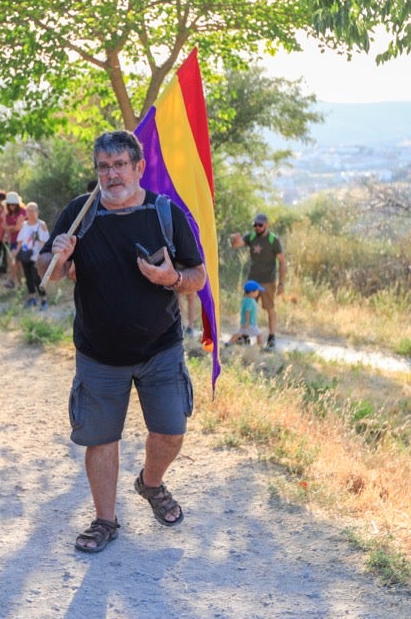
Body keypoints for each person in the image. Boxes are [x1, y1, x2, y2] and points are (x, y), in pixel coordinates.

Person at [39, 130, 206, 554]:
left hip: (160, 349)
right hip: (98, 354)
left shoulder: (165, 213)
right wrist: (60, 256)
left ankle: (151, 483)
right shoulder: (80, 213)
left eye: (119, 165)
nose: (111, 175)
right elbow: (48, 273)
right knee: (101, 439)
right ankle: (105, 520)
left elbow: (197, 276)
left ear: (138, 167)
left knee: (171, 431)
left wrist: (171, 277)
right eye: (103, 167)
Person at [230, 212, 286, 350]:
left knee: (269, 308)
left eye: (260, 225)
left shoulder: (273, 240)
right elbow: (236, 245)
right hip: (252, 280)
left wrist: (281, 283)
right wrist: (233, 239)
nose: (257, 227)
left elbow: (282, 262)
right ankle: (245, 336)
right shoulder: (251, 237)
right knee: (247, 307)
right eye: (255, 225)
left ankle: (271, 337)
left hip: (268, 281)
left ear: (266, 225)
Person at [16, 201, 49, 309]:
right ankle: (32, 298)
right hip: (26, 255)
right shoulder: (24, 225)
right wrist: (16, 251)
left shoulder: (41, 225)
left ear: (37, 212)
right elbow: (20, 240)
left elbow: (45, 241)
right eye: (29, 211)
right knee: (28, 276)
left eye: (33, 210)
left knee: (37, 277)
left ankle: (43, 299)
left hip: (36, 256)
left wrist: (43, 256)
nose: (31, 213)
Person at [227, 281, 264, 347]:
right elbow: (247, 311)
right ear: (252, 292)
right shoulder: (250, 301)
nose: (258, 293)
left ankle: (229, 343)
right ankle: (261, 347)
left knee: (239, 333)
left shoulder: (245, 299)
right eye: (257, 291)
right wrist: (247, 321)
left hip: (243, 322)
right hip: (250, 323)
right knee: (259, 334)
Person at [2, 191, 25, 289]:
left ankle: (18, 282)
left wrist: (9, 228)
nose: (12, 206)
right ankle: (16, 282)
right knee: (13, 261)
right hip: (13, 240)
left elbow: (18, 227)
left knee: (19, 263)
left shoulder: (23, 212)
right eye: (10, 204)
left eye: (14, 204)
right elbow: (4, 226)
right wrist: (8, 231)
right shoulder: (8, 214)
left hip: (23, 241)